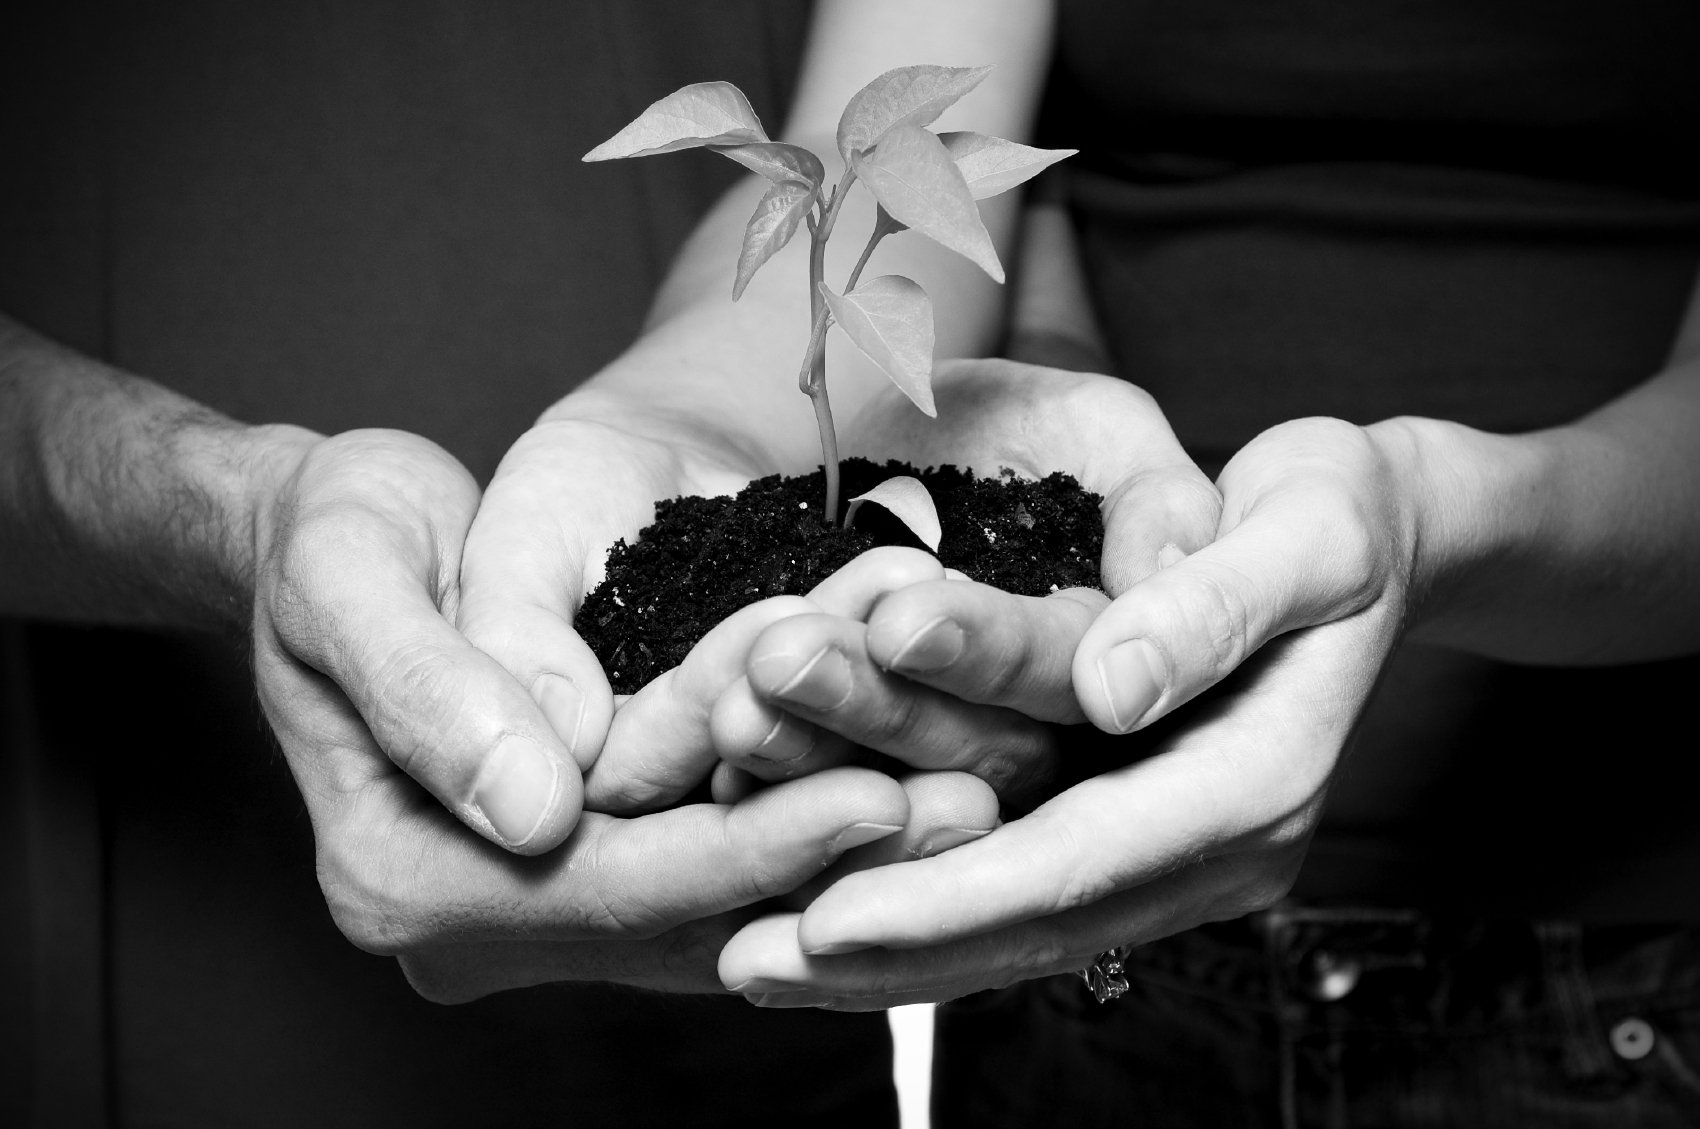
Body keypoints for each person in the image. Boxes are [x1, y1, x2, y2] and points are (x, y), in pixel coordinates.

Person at [448, 0, 1700, 1125]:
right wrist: (681, 423)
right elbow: (870, 140)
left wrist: (1426, 519)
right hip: (1078, 926)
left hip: (1611, 960)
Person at [0, 3, 916, 1125]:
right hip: (177, 886)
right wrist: (234, 511)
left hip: (745, 1004)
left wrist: (680, 426)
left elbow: (869, 115)